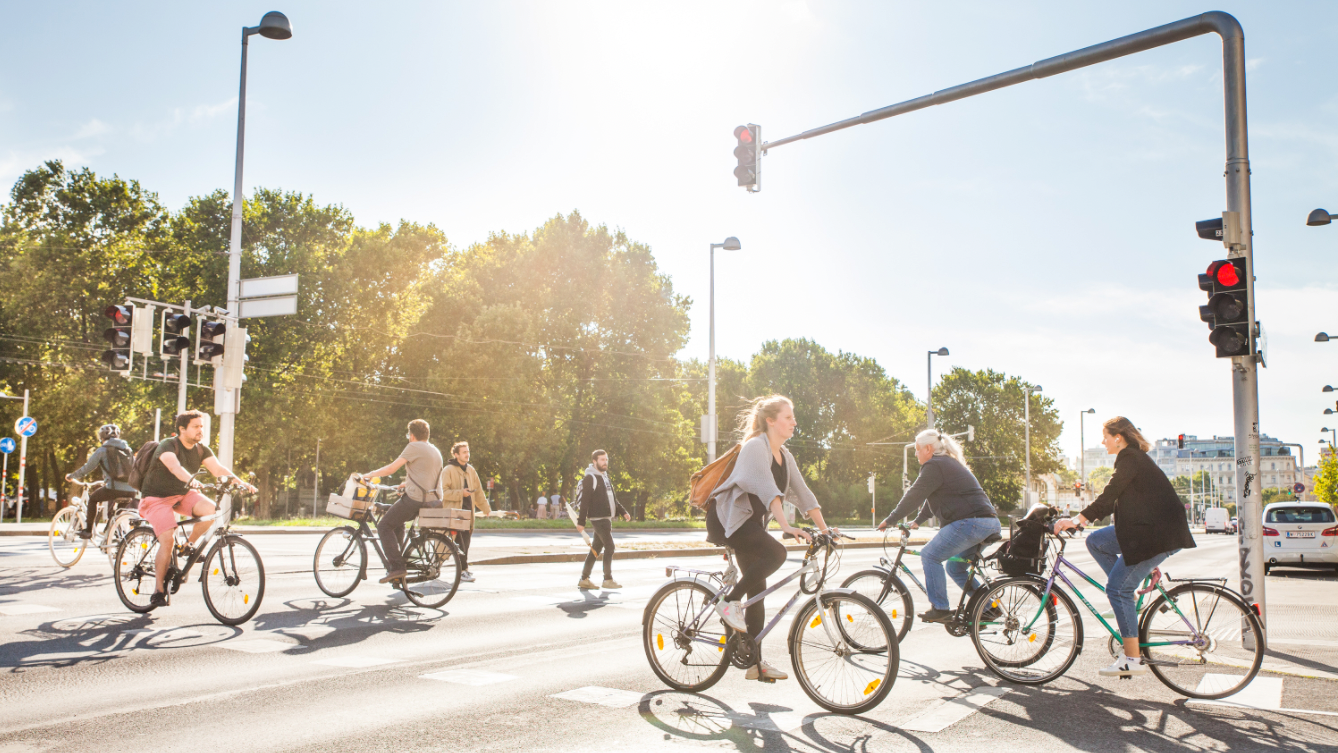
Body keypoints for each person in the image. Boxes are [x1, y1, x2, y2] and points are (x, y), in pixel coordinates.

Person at [1054, 416, 1196, 678]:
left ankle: (1132, 658)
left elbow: (1109, 497)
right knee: (1096, 541)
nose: (1103, 441)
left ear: (1118, 438)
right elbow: (1123, 505)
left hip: (1156, 535)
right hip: (1144, 531)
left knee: (1116, 588)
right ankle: (1129, 598)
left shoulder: (1130, 458)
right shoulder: (1134, 459)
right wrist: (1146, 565)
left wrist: (1076, 519)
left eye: (1105, 436)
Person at [708, 395, 833, 683]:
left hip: (750, 524)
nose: (794, 422)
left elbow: (803, 494)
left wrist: (825, 531)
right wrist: (787, 526)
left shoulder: (785, 456)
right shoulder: (755, 447)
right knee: (777, 554)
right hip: (729, 520)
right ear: (771, 420)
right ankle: (729, 602)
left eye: (793, 418)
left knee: (759, 592)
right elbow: (767, 488)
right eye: (788, 417)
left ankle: (754, 663)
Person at [878, 428, 1000, 624]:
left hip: (970, 523)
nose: (916, 453)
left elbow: (915, 495)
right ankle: (989, 608)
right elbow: (932, 499)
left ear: (928, 448)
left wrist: (890, 519)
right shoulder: (946, 464)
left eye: (917, 449)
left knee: (930, 555)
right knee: (955, 568)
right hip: (988, 523)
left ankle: (940, 608)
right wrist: (917, 520)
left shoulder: (935, 465)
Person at [137, 411, 256, 608]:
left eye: (202, 426)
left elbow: (218, 470)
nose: (200, 430)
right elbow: (175, 467)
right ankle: (158, 591)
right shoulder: (169, 445)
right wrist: (192, 481)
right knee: (167, 539)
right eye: (196, 426)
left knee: (211, 510)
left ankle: (188, 546)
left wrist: (242, 483)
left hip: (181, 495)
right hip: (156, 498)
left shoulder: (201, 449)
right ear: (182, 429)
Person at [359, 419, 444, 584]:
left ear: (412, 435)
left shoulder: (413, 446)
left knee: (384, 526)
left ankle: (397, 567)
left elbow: (391, 468)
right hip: (432, 499)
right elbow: (426, 475)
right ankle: (397, 565)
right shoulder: (435, 450)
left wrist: (370, 474)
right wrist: (407, 484)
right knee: (397, 522)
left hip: (416, 499)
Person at [66, 424, 138, 539]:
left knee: (93, 499)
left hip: (115, 488)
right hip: (131, 490)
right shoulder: (128, 449)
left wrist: (71, 476)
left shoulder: (102, 450)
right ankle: (114, 536)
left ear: (101, 437)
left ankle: (88, 531)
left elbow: (87, 468)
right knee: (115, 514)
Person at [576, 450, 631, 590]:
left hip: (606, 518)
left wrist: (623, 511)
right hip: (598, 518)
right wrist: (581, 522)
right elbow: (585, 502)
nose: (605, 462)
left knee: (596, 549)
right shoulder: (590, 478)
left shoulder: (605, 477)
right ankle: (607, 579)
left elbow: (613, 499)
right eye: (602, 460)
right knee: (610, 547)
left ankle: (584, 578)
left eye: (606, 459)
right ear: (594, 461)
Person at [441, 441, 490, 583]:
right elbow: (443, 492)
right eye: (464, 452)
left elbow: (479, 492)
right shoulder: (448, 470)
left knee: (464, 544)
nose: (467, 454)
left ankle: (463, 570)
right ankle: (462, 570)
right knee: (451, 544)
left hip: (468, 513)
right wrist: (460, 493)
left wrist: (485, 508)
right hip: (454, 513)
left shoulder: (471, 470)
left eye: (468, 452)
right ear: (456, 455)